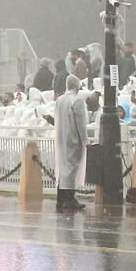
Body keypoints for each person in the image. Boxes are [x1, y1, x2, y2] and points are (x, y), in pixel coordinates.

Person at [53, 75, 87, 213]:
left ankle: (60, 199)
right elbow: (81, 123)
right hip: (73, 138)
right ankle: (70, 199)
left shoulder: (59, 100)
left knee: (62, 167)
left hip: (61, 138)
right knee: (72, 168)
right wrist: (85, 140)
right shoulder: (78, 100)